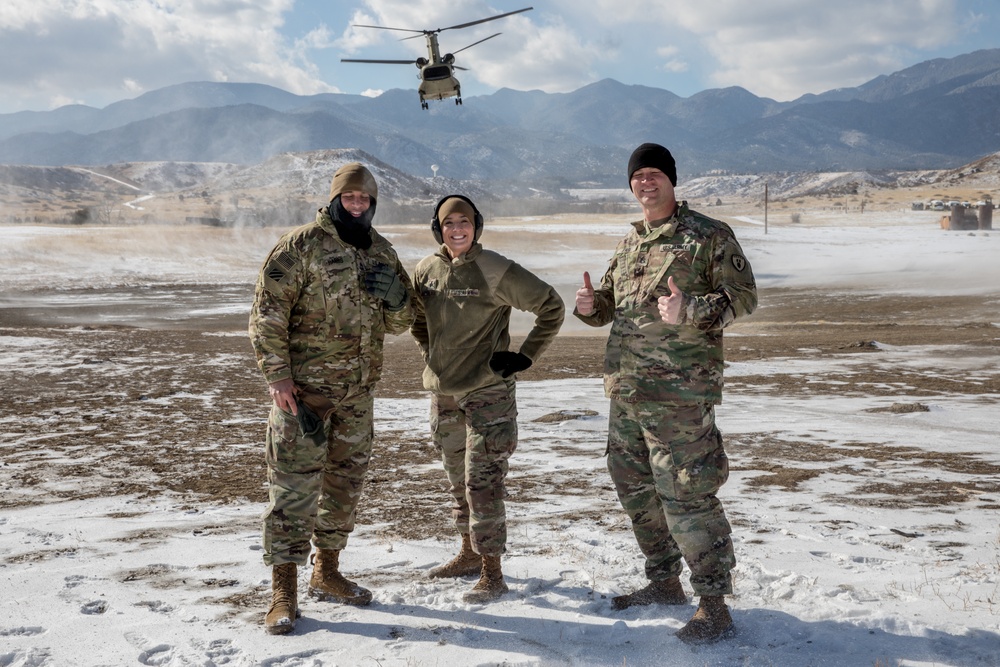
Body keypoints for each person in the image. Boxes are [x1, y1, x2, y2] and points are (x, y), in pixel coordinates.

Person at [574, 143, 757, 644]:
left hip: (679, 395)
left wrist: (692, 310)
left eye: (655, 174)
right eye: (638, 176)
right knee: (635, 488)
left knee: (687, 492)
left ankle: (714, 603)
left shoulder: (708, 236)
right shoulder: (631, 243)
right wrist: (591, 305)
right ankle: (663, 582)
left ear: (672, 181)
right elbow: (609, 306)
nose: (646, 182)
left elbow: (745, 297)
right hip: (628, 391)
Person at [248, 162, 413, 635]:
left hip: (357, 397)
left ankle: (328, 571)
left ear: (373, 203)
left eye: (365, 199)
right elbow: (267, 314)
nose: (356, 204)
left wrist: (399, 296)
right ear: (335, 198)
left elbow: (401, 324)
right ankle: (284, 592)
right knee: (293, 491)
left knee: (344, 486)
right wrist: (278, 378)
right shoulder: (301, 245)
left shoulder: (381, 250)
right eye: (350, 197)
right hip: (304, 397)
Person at [410, 194, 564, 603]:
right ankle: (466, 554)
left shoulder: (494, 268)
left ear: (476, 226)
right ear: (437, 229)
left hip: (487, 395)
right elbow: (416, 320)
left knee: (484, 485)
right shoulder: (426, 270)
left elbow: (551, 306)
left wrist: (525, 356)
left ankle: (491, 572)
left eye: (464, 222)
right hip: (444, 396)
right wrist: (432, 355)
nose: (456, 229)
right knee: (459, 482)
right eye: (447, 223)